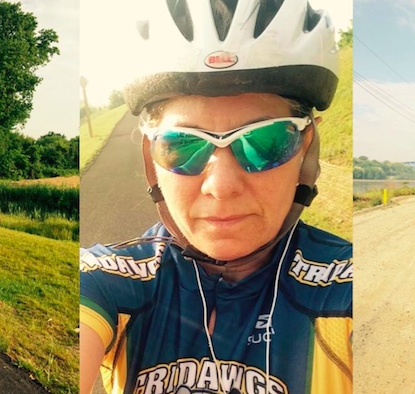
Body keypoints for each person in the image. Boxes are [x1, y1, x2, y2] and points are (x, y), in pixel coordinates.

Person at [79, 1, 352, 393]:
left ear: (306, 150)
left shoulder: (346, 285)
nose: (221, 186)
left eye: (265, 142)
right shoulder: (104, 280)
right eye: (183, 146)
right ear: (150, 156)